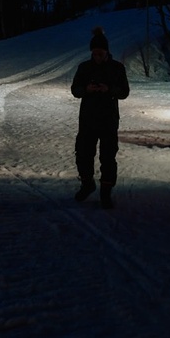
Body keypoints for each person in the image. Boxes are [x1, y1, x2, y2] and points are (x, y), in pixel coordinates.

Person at [70, 26, 130, 209]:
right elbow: (75, 90)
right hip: (88, 119)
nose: (96, 57)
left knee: (108, 156)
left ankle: (106, 192)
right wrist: (86, 89)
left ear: (106, 52)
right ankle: (87, 184)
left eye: (100, 53)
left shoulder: (117, 68)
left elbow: (125, 92)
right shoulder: (84, 67)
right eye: (94, 53)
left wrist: (109, 90)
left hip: (108, 119)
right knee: (83, 154)